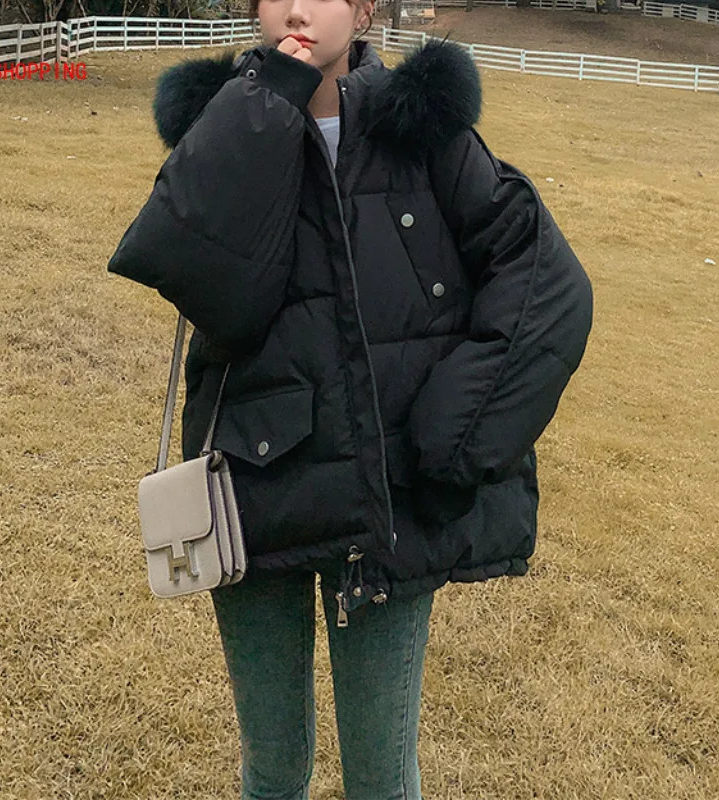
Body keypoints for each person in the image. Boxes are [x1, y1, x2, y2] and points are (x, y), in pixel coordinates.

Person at [107, 0, 594, 796]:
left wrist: (455, 433)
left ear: (365, 8)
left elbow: (543, 276)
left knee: (380, 777)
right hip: (254, 487)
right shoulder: (224, 125)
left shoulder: (423, 128)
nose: (297, 9)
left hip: (387, 502)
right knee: (272, 769)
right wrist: (264, 104)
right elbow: (197, 276)